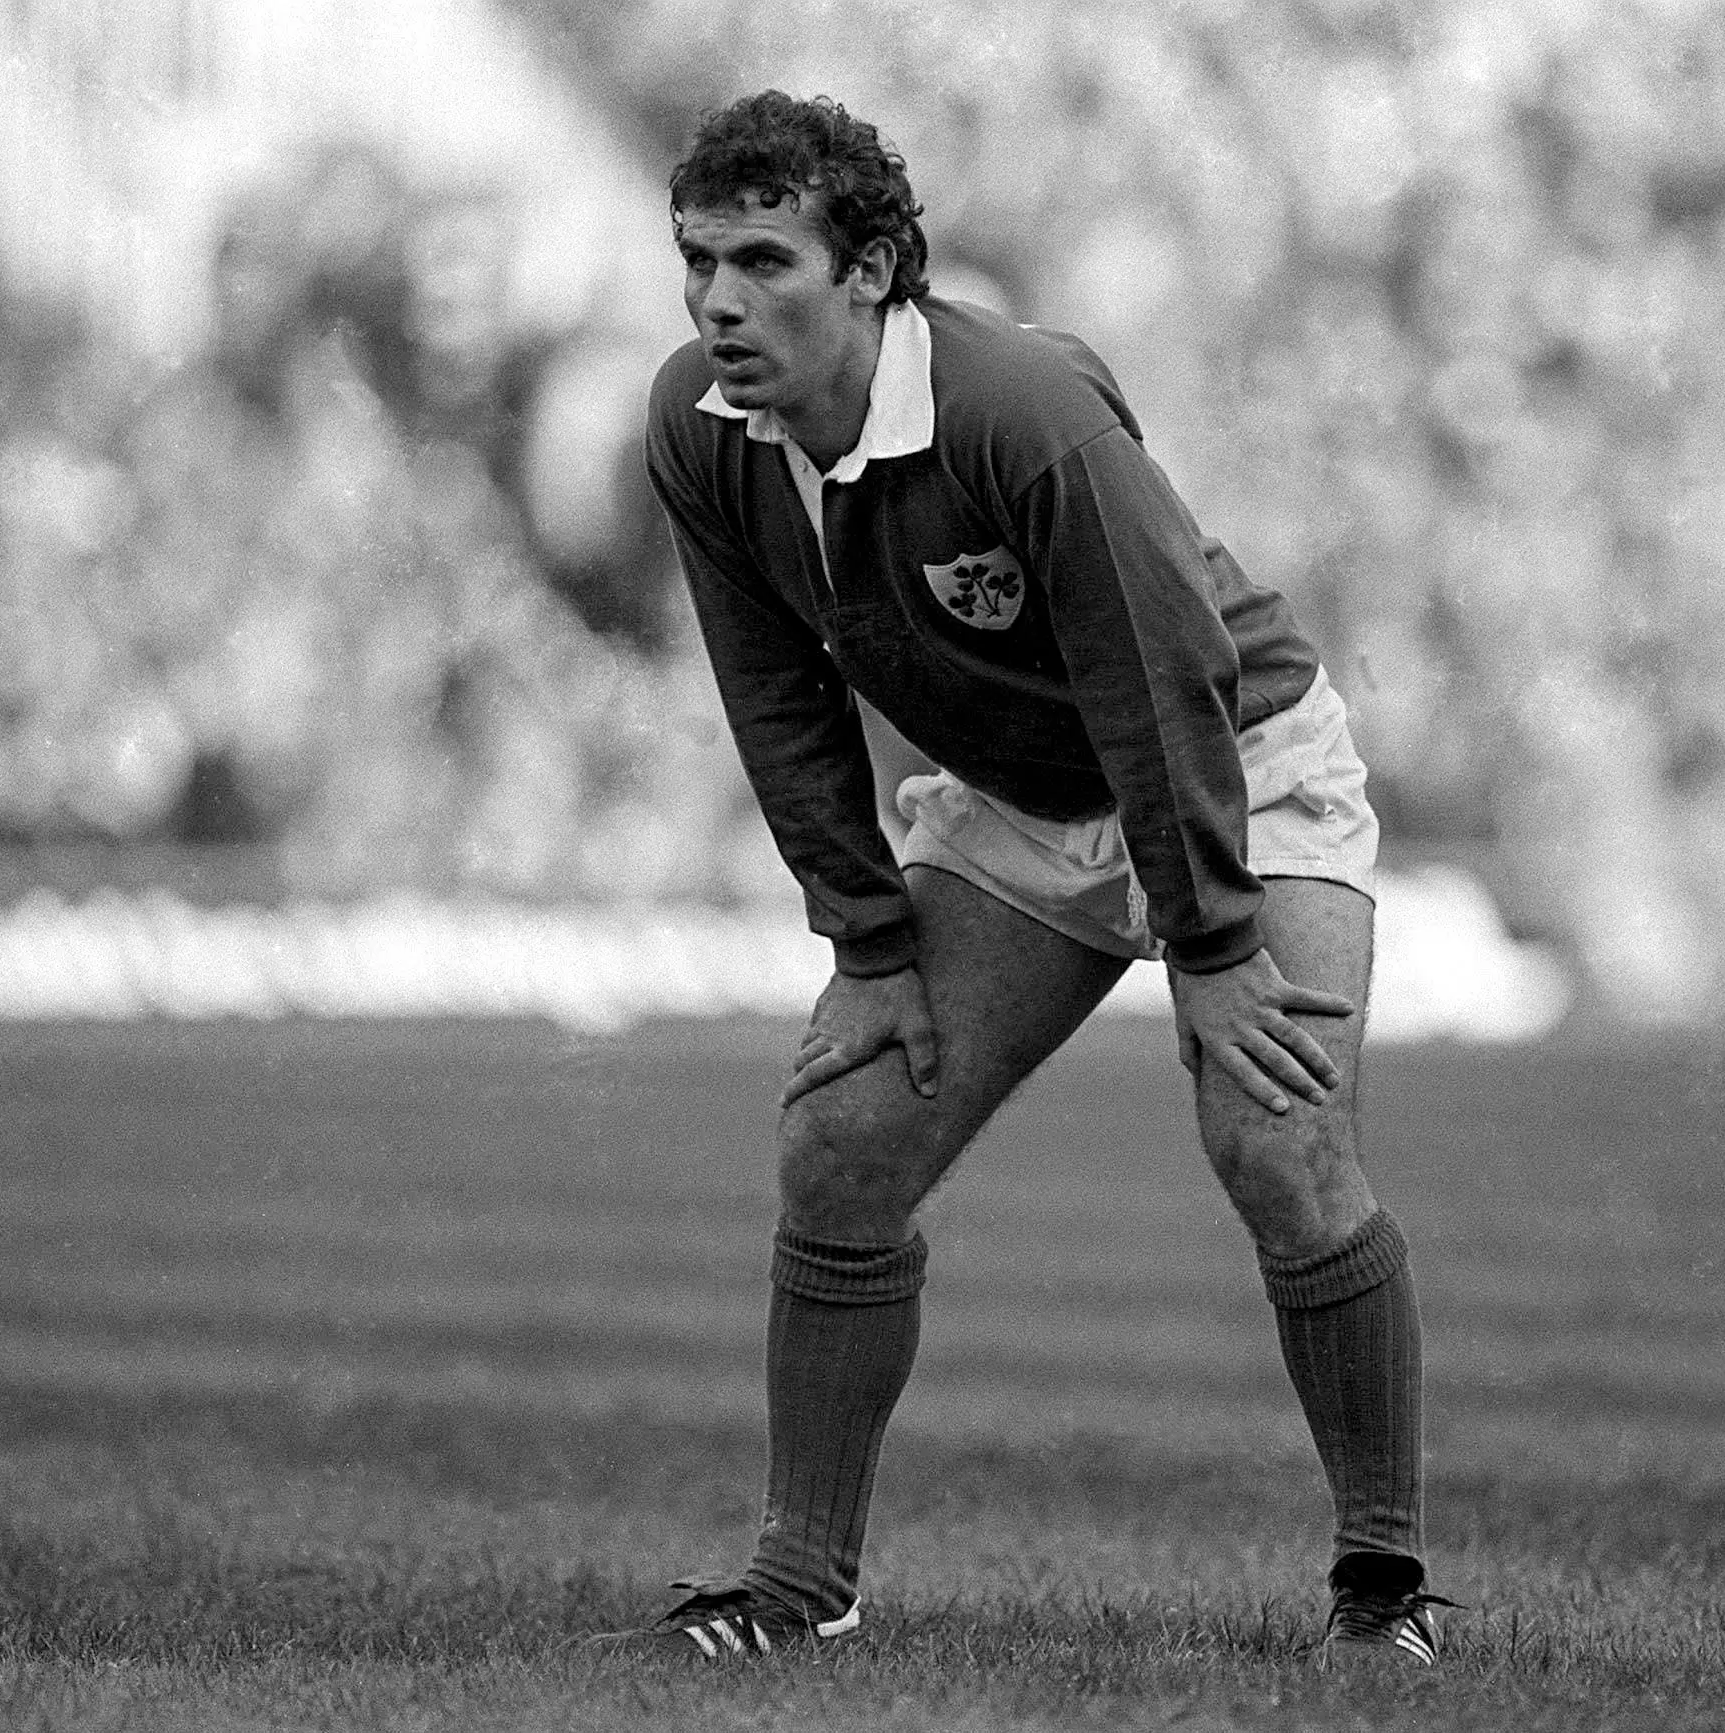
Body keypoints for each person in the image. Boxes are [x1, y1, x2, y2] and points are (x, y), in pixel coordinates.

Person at [604, 90, 1446, 1671]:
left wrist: (1208, 947)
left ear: (869, 273)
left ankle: (1383, 1589)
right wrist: (865, 941)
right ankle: (799, 1587)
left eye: (761, 259)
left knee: (1275, 1136)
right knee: (843, 1139)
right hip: (1018, 802)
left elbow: (1164, 674)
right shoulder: (698, 431)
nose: (716, 300)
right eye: (697, 260)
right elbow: (773, 698)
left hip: (1234, 774)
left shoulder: (1015, 406)